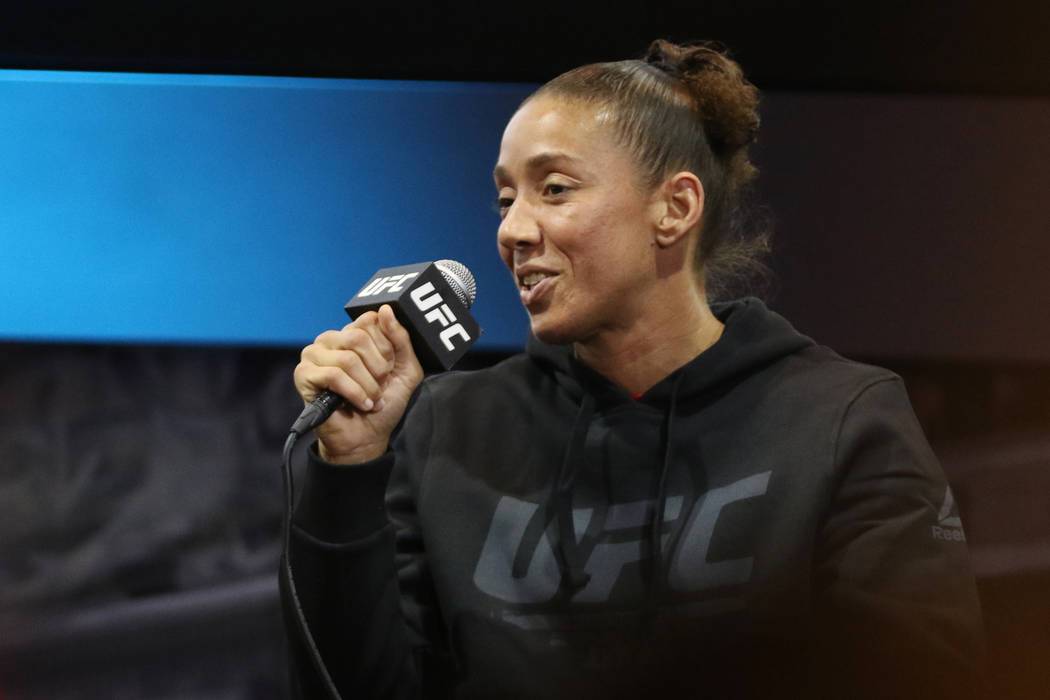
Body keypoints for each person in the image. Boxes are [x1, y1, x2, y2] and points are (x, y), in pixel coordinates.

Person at [283, 40, 985, 699]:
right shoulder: (448, 426)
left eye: (554, 189)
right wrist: (347, 469)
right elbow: (354, 687)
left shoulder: (842, 420)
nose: (513, 231)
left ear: (674, 208)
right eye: (505, 199)